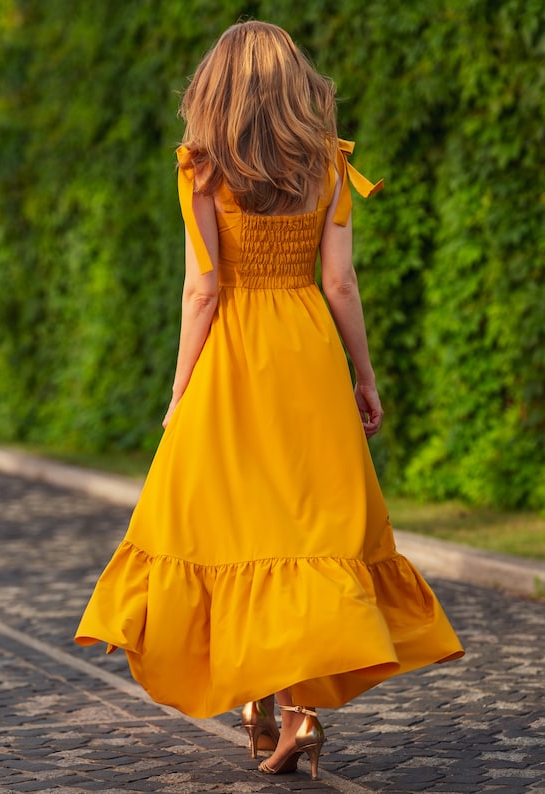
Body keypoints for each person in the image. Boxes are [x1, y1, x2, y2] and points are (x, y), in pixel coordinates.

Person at [75, 19, 464, 781]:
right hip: (307, 352)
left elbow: (203, 288)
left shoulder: (200, 172)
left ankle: (256, 695)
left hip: (231, 358)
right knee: (308, 524)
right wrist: (365, 374)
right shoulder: (327, 165)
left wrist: (180, 387)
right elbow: (341, 283)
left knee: (228, 524)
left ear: (213, 92)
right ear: (297, 87)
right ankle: (299, 713)